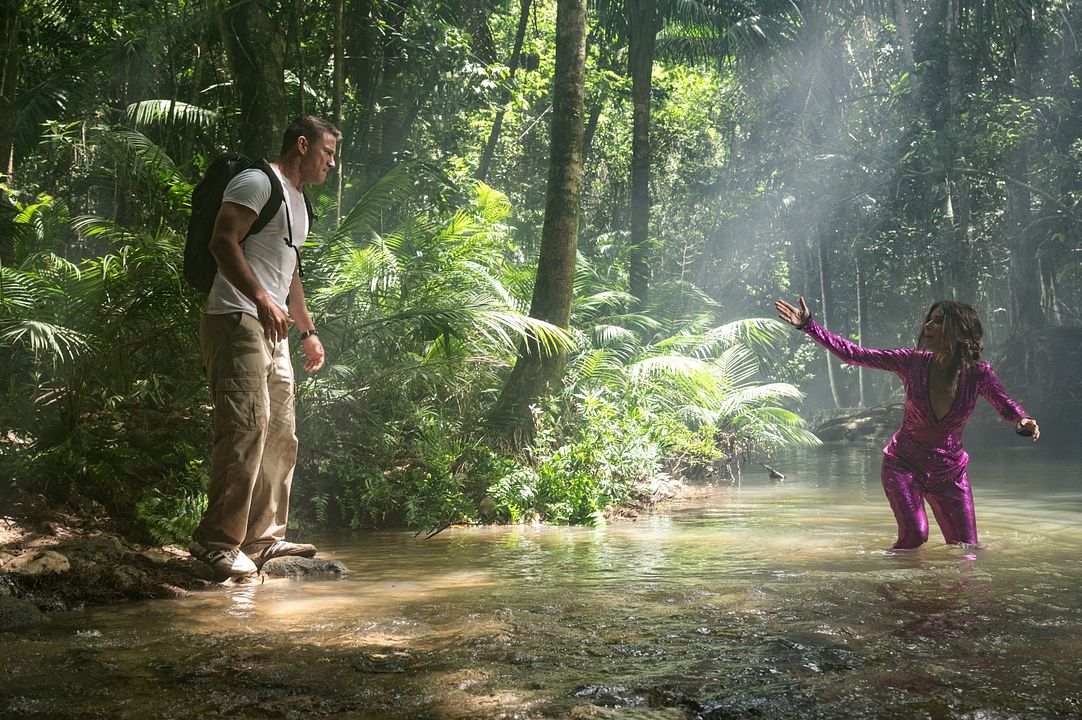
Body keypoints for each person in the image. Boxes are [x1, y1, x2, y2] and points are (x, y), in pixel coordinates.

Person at [190, 116, 339, 577]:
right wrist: (259, 301)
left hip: (274, 332)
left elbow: (289, 273)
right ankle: (217, 543)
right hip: (236, 318)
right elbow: (222, 241)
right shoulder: (257, 182)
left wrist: (308, 331)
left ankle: (261, 540)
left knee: (281, 435)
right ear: (302, 145)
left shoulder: (299, 203)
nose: (331, 163)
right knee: (244, 429)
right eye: (327, 152)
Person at [774, 296, 1040, 550]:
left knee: (967, 550)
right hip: (903, 466)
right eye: (929, 319)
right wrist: (809, 327)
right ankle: (897, 588)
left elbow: (1004, 402)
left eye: (937, 321)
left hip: (951, 473)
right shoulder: (912, 362)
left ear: (959, 330)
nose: (928, 326)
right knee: (915, 536)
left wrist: (1022, 419)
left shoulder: (979, 373)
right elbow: (855, 354)